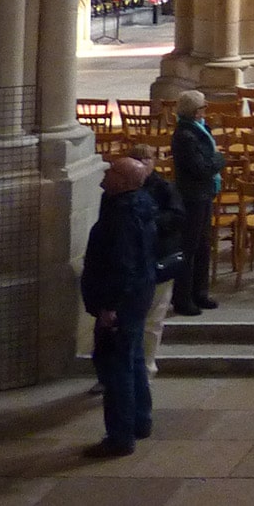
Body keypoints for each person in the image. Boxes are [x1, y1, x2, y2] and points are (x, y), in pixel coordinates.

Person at [80, 155, 157, 458]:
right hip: (138, 296)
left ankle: (120, 436)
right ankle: (141, 420)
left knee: (117, 369)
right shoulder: (137, 205)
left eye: (112, 171)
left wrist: (109, 306)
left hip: (122, 301)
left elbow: (121, 265)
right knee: (134, 358)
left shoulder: (123, 216)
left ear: (124, 182)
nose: (105, 172)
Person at [130, 142, 186, 376]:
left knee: (153, 319)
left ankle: (147, 368)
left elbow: (177, 217)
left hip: (159, 257)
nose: (144, 163)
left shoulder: (164, 188)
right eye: (138, 158)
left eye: (148, 158)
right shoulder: (124, 189)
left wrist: (150, 223)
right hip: (132, 263)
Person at [168, 90, 224, 315]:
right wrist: (219, 160)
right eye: (203, 108)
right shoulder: (185, 135)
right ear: (195, 111)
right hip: (192, 196)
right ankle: (183, 298)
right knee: (189, 247)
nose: (205, 111)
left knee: (202, 245)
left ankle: (200, 293)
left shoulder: (198, 129)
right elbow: (201, 167)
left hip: (203, 194)